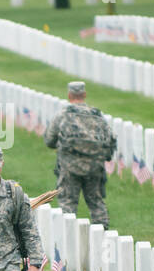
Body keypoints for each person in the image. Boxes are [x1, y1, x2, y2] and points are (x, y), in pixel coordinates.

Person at [44, 81, 116, 228]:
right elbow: (110, 141)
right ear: (84, 95)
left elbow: (49, 140)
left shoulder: (63, 115)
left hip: (70, 167)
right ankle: (103, 234)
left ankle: (67, 233)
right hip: (95, 167)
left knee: (68, 204)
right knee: (96, 202)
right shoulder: (98, 116)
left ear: (69, 95)